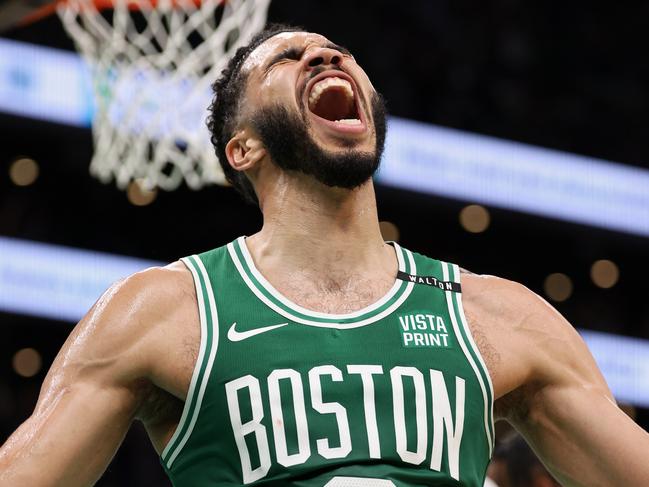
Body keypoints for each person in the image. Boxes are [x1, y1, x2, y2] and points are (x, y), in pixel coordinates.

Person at [1, 23, 649, 486]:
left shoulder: (499, 315)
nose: (324, 56)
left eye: (337, 52)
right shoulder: (161, 310)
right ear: (242, 147)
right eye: (285, 58)